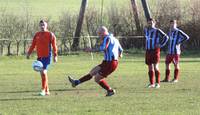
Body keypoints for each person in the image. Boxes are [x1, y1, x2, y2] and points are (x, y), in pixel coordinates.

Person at [68, 26, 123, 96]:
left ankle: (110, 90)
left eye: (100, 34)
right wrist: (120, 55)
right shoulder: (115, 39)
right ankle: (76, 82)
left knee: (97, 79)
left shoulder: (107, 38)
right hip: (107, 62)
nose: (99, 35)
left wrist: (91, 50)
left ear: (104, 33)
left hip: (110, 63)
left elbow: (103, 48)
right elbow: (121, 50)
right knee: (92, 72)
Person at [27, 20, 58, 96]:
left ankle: (43, 90)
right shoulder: (37, 35)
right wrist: (29, 53)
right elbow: (33, 45)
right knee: (42, 74)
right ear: (39, 26)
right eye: (41, 25)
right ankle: (47, 90)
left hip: (47, 57)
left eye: (43, 25)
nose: (42, 26)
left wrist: (55, 56)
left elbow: (54, 46)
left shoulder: (50, 35)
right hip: (39, 58)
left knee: (43, 72)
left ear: (46, 25)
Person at [144, 18, 169, 88]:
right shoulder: (146, 30)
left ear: (154, 23)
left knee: (155, 66)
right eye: (149, 23)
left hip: (155, 50)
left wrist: (161, 44)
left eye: (151, 23)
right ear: (147, 23)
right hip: (148, 50)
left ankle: (157, 83)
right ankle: (151, 83)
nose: (150, 24)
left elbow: (166, 37)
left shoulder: (157, 31)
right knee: (149, 66)